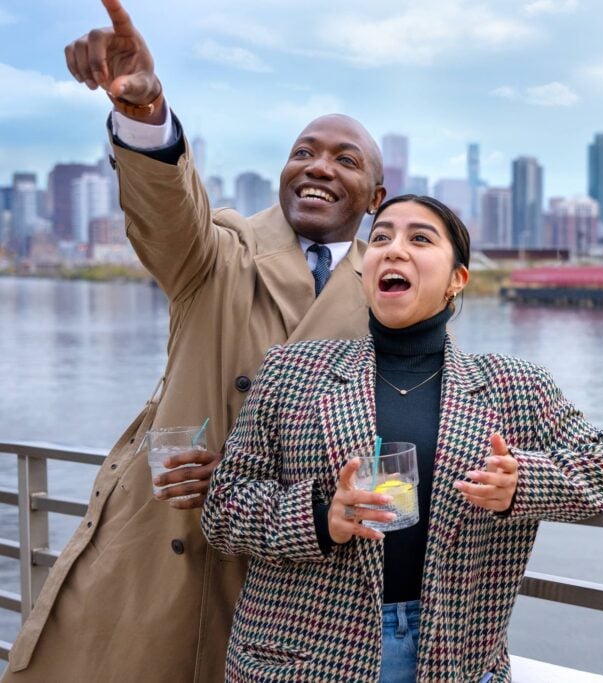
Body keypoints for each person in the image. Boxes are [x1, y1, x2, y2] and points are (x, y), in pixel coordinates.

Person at [3, 1, 385, 680]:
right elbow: (168, 211)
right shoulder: (219, 252)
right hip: (164, 553)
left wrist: (253, 486)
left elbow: (393, 450)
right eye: (303, 152)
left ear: (376, 194)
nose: (318, 166)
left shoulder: (388, 297)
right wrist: (146, 114)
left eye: (344, 159)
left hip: (291, 580)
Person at [201, 195, 603, 682]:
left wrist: (523, 483)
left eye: (419, 238)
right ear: (364, 269)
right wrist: (319, 515)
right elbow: (222, 508)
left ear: (458, 279)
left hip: (456, 654)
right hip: (301, 657)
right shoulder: (293, 370)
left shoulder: (514, 385)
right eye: (380, 237)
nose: (394, 249)